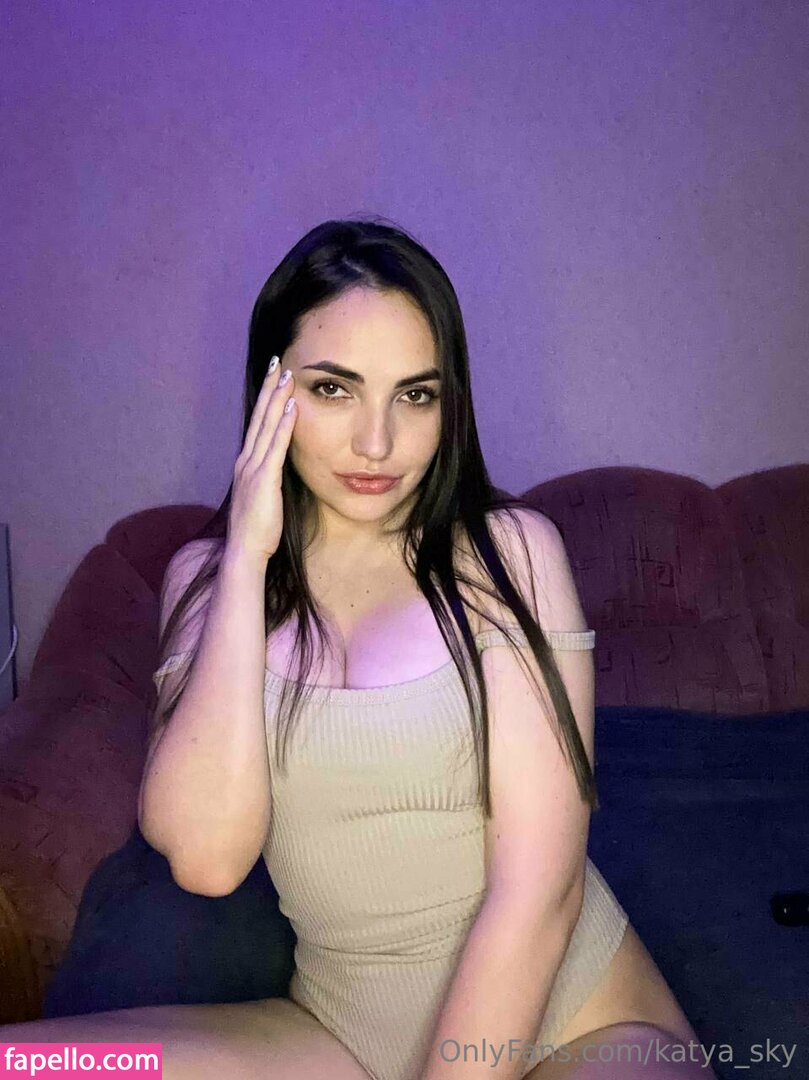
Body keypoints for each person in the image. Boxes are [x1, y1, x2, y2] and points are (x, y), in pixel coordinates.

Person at [1, 218, 714, 1079]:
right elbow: (207, 859)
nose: (376, 443)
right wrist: (246, 564)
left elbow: (540, 894)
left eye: (415, 396)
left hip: (577, 1032)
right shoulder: (206, 579)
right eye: (334, 389)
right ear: (272, 390)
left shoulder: (508, 555)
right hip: (343, 1028)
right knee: (30, 1066)